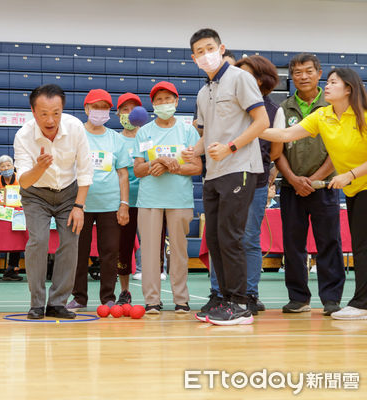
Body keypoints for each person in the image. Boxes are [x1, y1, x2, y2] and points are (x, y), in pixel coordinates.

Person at [261, 68, 367, 320]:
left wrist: (350, 174)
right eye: (327, 82)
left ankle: (362, 303)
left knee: (362, 247)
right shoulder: (323, 116)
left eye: (333, 82)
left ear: (348, 89)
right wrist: (252, 130)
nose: (326, 86)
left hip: (360, 184)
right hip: (354, 190)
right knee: (361, 245)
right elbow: (286, 134)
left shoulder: (362, 115)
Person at [183, 29, 269, 325]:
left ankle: (240, 303)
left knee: (231, 237)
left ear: (221, 49)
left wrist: (231, 146)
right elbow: (207, 136)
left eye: (210, 47)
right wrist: (194, 151)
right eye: (200, 51)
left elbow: (262, 122)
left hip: (239, 168)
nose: (206, 54)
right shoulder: (203, 91)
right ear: (194, 59)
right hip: (213, 174)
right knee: (216, 238)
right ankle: (222, 298)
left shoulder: (239, 78)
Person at [202, 56, 285, 315]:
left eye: (246, 74)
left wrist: (244, 156)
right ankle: (220, 293)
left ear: (260, 80)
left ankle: (247, 294)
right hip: (223, 174)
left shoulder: (272, 110)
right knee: (221, 237)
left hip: (254, 179)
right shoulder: (220, 101)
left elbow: (275, 151)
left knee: (246, 239)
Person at [14, 84, 93, 320]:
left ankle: (58, 302)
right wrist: (39, 167)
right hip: (36, 194)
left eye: (56, 113)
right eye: (44, 114)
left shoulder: (75, 128)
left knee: (70, 242)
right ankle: (37, 303)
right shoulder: (23, 136)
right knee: (38, 241)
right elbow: (24, 182)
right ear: (33, 111)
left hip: (69, 193)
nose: (50, 120)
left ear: (63, 110)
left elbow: (85, 169)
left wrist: (79, 206)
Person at [274, 53, 345, 316]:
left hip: (325, 187)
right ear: (291, 76)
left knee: (329, 242)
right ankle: (298, 298)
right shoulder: (283, 107)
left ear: (319, 73)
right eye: (297, 72)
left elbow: (338, 148)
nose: (303, 77)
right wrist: (292, 178)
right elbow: (277, 149)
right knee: (293, 244)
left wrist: (317, 179)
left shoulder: (333, 106)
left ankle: (331, 299)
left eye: (308, 71)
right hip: (291, 187)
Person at [133, 82, 202, 313]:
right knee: (150, 252)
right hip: (150, 200)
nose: (164, 103)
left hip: (179, 200)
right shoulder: (145, 132)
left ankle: (181, 300)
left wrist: (174, 167)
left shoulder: (187, 131)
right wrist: (157, 162)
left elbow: (197, 167)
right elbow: (138, 170)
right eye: (159, 100)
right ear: (153, 104)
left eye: (167, 99)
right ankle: (152, 300)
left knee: (179, 252)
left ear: (176, 101)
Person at [67, 89, 130, 311]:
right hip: (80, 206)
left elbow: (123, 174)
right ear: (86, 109)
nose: (100, 111)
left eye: (104, 107)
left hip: (110, 205)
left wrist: (124, 204)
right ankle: (79, 297)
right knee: (78, 252)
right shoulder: (76, 136)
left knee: (110, 252)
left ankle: (108, 297)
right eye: (96, 107)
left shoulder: (115, 139)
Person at [115, 93, 143, 304]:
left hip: (149, 201)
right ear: (118, 114)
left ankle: (153, 295)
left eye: (134, 109)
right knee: (123, 248)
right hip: (124, 203)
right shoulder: (115, 139)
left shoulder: (150, 137)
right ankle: (125, 291)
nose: (129, 114)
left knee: (154, 250)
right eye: (125, 110)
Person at [0, 155, 24, 281]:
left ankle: (13, 267)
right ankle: (6, 268)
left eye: (8, 165)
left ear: (13, 167)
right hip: (4, 214)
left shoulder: (20, 178)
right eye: (3, 166)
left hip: (19, 213)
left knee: (16, 239)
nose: (6, 168)